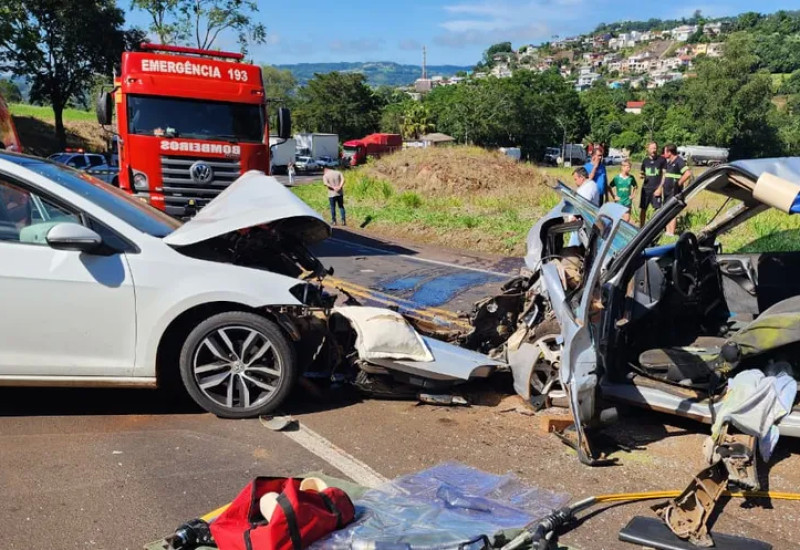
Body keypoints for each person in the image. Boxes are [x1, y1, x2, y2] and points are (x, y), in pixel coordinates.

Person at [655, 143, 691, 236]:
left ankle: (671, 232)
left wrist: (678, 184)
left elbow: (687, 173)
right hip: (667, 191)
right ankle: (667, 231)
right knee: (667, 210)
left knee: (672, 211)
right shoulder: (668, 162)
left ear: (669, 152)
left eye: (665, 151)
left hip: (674, 191)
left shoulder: (679, 161)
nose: (664, 153)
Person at [639, 141, 666, 227]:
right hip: (646, 189)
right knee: (643, 209)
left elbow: (664, 175)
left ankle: (656, 228)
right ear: (648, 149)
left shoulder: (662, 160)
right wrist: (642, 175)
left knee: (658, 210)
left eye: (655, 148)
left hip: (656, 189)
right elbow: (642, 172)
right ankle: (641, 228)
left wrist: (660, 188)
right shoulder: (645, 161)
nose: (654, 150)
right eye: (652, 148)